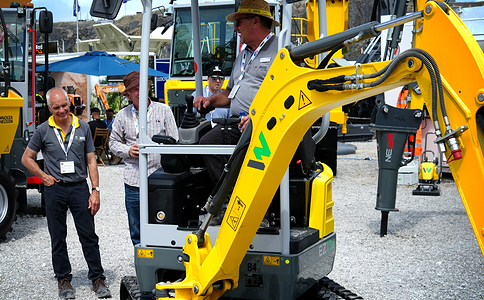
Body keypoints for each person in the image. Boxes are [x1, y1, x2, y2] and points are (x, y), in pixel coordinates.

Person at [21, 87, 112, 299]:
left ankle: (97, 277)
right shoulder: (43, 130)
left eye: (64, 105)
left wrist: (95, 190)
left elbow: (91, 160)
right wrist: (44, 177)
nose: (61, 110)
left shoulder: (83, 127)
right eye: (56, 107)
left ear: (69, 103)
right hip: (55, 189)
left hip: (80, 187)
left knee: (88, 234)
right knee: (58, 236)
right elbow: (26, 158)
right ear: (50, 108)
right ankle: (63, 279)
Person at [194, 0, 280, 186]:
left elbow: (286, 94)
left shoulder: (281, 50)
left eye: (239, 21)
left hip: (266, 125)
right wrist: (210, 100)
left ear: (255, 21)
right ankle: (227, 199)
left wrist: (259, 116)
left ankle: (252, 206)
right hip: (238, 123)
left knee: (255, 164)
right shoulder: (243, 55)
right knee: (207, 143)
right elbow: (230, 92)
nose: (235, 27)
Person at [109, 71, 179, 245]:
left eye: (142, 87)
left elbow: (175, 140)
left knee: (163, 220)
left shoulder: (164, 110)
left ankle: (160, 259)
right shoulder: (122, 115)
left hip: (160, 176)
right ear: (128, 94)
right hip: (134, 179)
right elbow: (113, 142)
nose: (139, 92)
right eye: (134, 89)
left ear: (148, 87)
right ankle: (141, 262)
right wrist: (127, 150)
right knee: (136, 226)